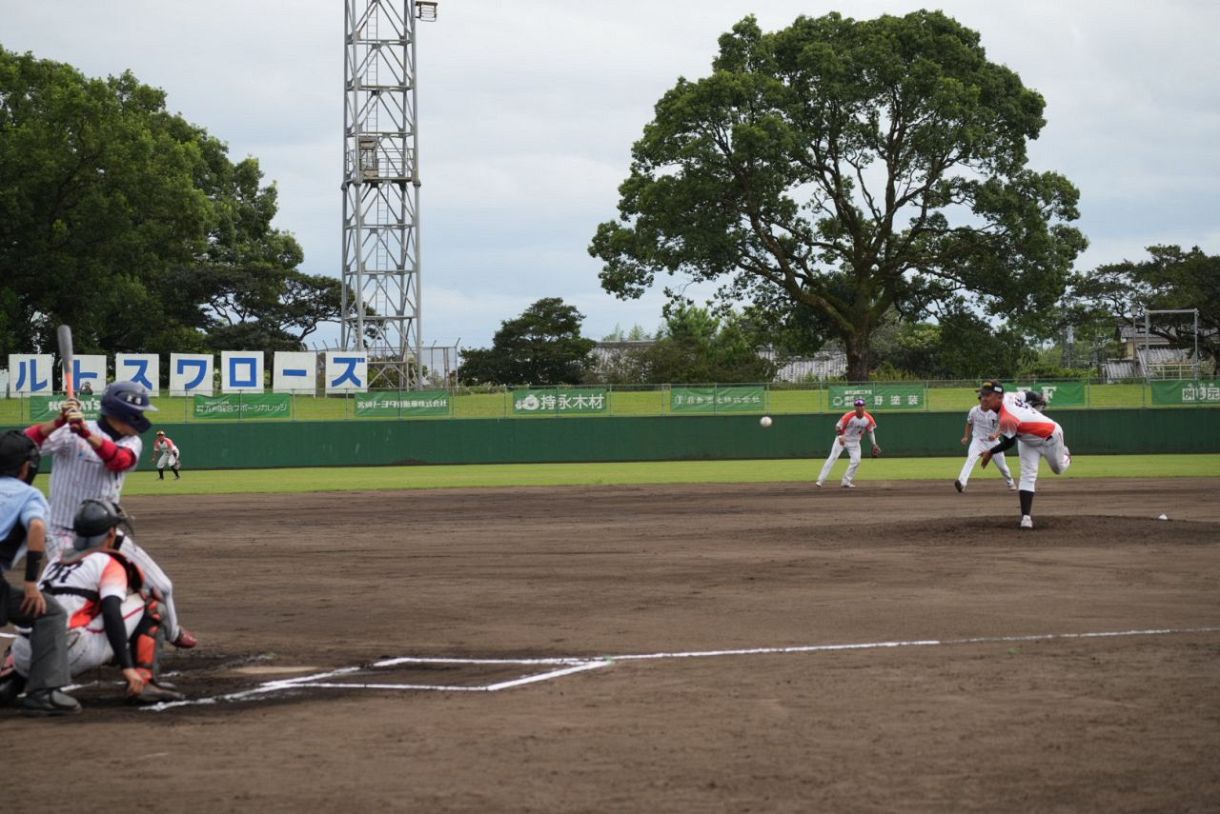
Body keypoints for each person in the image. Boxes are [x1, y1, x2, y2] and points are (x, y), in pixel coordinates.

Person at [23, 380, 198, 649]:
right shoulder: (69, 433)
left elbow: (118, 460)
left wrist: (85, 434)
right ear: (122, 414)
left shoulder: (132, 441)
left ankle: (172, 631)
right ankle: (28, 651)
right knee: (61, 596)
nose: (142, 419)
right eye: (137, 413)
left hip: (107, 534)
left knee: (162, 587)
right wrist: (58, 423)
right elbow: (25, 445)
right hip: (62, 533)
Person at [7, 499, 184, 705]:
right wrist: (126, 666)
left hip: (23, 654)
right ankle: (144, 681)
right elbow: (111, 613)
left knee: (53, 615)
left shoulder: (56, 561)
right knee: (151, 604)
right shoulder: (108, 562)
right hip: (69, 653)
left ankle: (9, 679)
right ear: (110, 534)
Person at [0, 430, 81, 715]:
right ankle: (43, 693)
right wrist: (32, 582)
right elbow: (36, 528)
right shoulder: (28, 494)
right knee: (50, 612)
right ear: (26, 467)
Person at [977, 380, 1072, 529]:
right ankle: (1026, 518)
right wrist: (1038, 396)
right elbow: (1028, 394)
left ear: (999, 397)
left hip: (1051, 436)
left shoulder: (1007, 417)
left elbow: (1009, 443)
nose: (983, 398)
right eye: (982, 395)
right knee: (1027, 475)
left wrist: (990, 452)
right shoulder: (1009, 396)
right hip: (1027, 441)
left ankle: (1066, 455)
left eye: (987, 395)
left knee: (1058, 469)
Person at [815, 399, 881, 489]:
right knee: (832, 458)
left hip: (855, 442)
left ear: (864, 407)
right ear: (855, 407)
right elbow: (838, 426)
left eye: (861, 406)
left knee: (857, 461)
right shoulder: (849, 416)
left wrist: (874, 444)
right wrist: (840, 436)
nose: (859, 408)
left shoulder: (868, 419)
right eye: (857, 406)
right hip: (842, 440)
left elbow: (870, 432)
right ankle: (820, 480)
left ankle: (846, 481)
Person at [955, 395, 1016, 492]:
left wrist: (996, 435)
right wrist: (966, 436)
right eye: (982, 399)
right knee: (971, 459)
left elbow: (1003, 425)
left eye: (986, 399)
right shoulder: (974, 411)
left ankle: (1010, 482)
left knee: (1002, 466)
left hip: (993, 442)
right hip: (978, 440)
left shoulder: (997, 412)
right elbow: (969, 423)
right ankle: (962, 483)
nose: (984, 400)